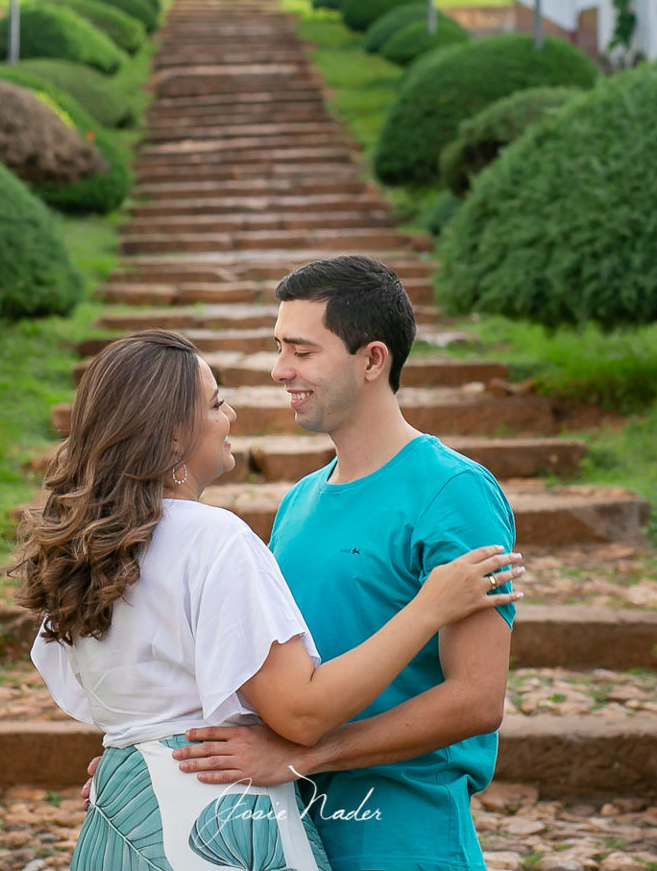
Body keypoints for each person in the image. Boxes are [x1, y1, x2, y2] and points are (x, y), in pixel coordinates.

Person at [15, 329, 523, 871]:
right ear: (171, 437)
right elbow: (300, 713)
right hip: (217, 822)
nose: (231, 414)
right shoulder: (214, 538)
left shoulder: (87, 551)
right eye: (215, 404)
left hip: (125, 810)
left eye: (301, 351)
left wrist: (141, 760)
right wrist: (429, 608)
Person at [171, 256, 520, 871]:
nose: (281, 370)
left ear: (372, 359)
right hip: (288, 833)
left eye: (302, 351)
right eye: (279, 347)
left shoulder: (456, 493)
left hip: (405, 838)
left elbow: (475, 699)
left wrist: (310, 755)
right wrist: (151, 759)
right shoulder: (299, 500)